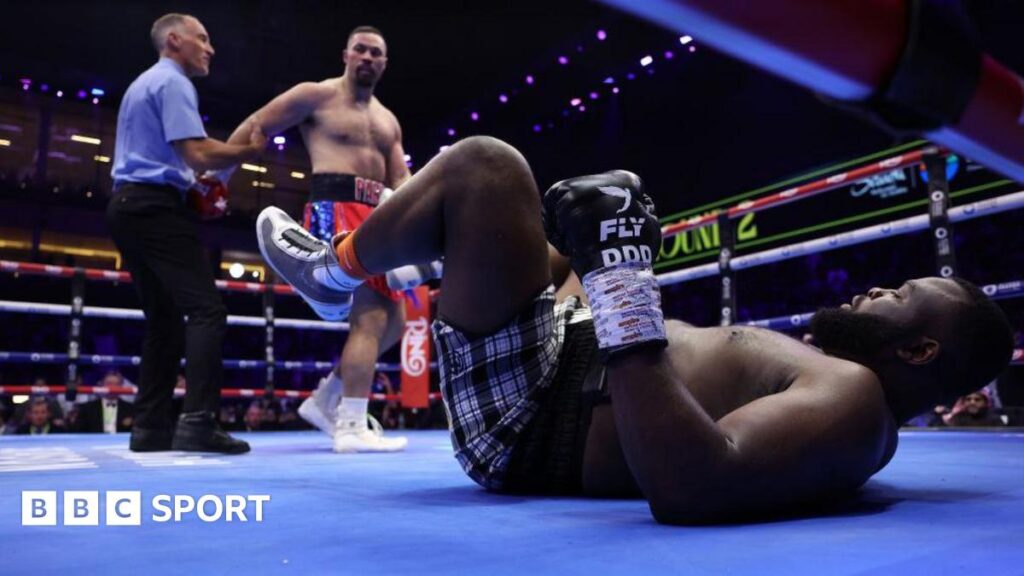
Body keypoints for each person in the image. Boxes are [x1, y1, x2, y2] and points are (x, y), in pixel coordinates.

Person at [256, 136, 1014, 524]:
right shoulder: (843, 396)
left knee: (486, 168)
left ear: (920, 349)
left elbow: (692, 486)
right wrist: (608, 265)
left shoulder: (855, 404)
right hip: (565, 360)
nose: (875, 290)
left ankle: (337, 271)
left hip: (536, 416)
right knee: (574, 217)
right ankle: (422, 259)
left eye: (898, 295)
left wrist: (621, 279)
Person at [217, 26, 431, 453]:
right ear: (346, 54)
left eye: (376, 53)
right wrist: (219, 176)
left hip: (376, 213)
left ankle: (326, 399)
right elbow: (259, 123)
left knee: (396, 321)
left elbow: (400, 178)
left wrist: (421, 219)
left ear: (384, 63)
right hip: (335, 209)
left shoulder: (387, 120)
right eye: (361, 50)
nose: (367, 57)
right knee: (371, 317)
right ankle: (350, 425)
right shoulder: (316, 95)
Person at [106, 13, 265, 454]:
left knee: (163, 319)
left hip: (128, 206)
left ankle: (149, 428)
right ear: (174, 40)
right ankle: (198, 422)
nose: (210, 48)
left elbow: (170, 157)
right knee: (206, 310)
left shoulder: (143, 83)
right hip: (154, 207)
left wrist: (191, 189)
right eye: (203, 38)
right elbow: (196, 152)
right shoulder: (173, 82)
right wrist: (249, 151)